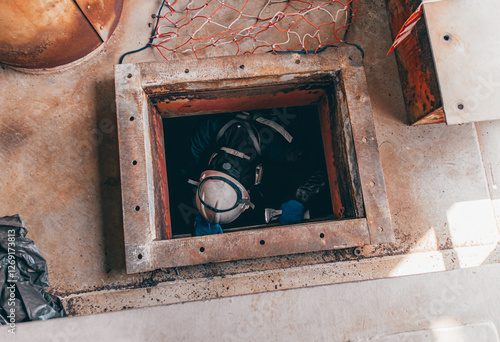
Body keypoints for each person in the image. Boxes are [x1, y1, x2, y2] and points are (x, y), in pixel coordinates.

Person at [182, 108, 327, 236]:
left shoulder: (278, 144)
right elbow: (188, 170)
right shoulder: (207, 129)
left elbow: (321, 164)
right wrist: (207, 211)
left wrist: (300, 199)